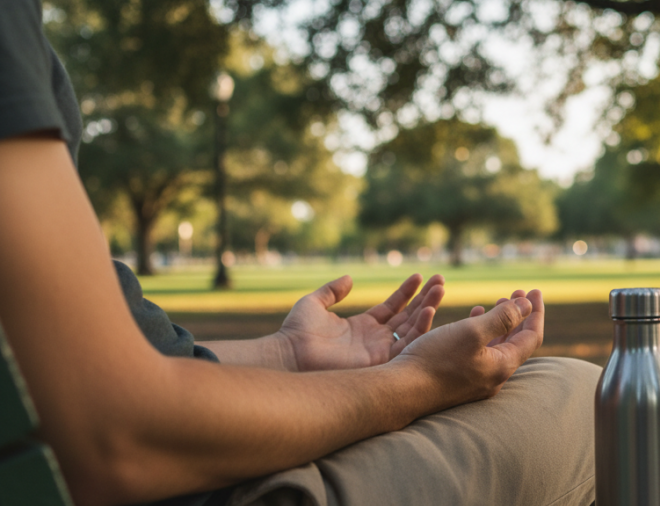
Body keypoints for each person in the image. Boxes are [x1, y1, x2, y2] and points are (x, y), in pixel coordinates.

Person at [0, 1, 602, 505]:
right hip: (205, 488)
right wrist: (416, 381)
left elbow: (76, 370)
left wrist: (288, 355)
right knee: (587, 396)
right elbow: (119, 433)